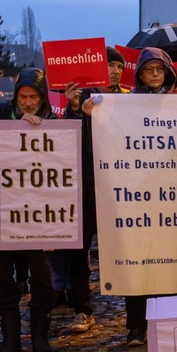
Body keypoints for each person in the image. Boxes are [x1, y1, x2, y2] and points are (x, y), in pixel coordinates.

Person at [81, 47, 177, 346]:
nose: (153, 74)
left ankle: (161, 323)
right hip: (133, 195)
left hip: (167, 197)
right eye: (148, 69)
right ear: (138, 73)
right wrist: (86, 116)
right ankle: (136, 326)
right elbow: (105, 137)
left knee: (163, 263)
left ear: (167, 73)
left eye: (159, 70)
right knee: (136, 262)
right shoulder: (122, 103)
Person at [0, 68, 59, 352]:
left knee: (41, 275)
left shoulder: (54, 120)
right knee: (3, 275)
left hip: (37, 209)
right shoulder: (1, 113)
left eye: (32, 96)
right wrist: (13, 128)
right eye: (22, 97)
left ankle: (39, 334)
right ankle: (9, 337)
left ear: (41, 97)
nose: (27, 102)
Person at [59, 46, 130, 334]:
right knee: (79, 252)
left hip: (120, 188)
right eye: (110, 65)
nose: (115, 71)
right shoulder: (81, 100)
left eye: (119, 67)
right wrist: (77, 112)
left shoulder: (128, 100)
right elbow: (68, 144)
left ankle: (134, 310)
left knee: (127, 248)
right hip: (86, 189)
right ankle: (83, 309)